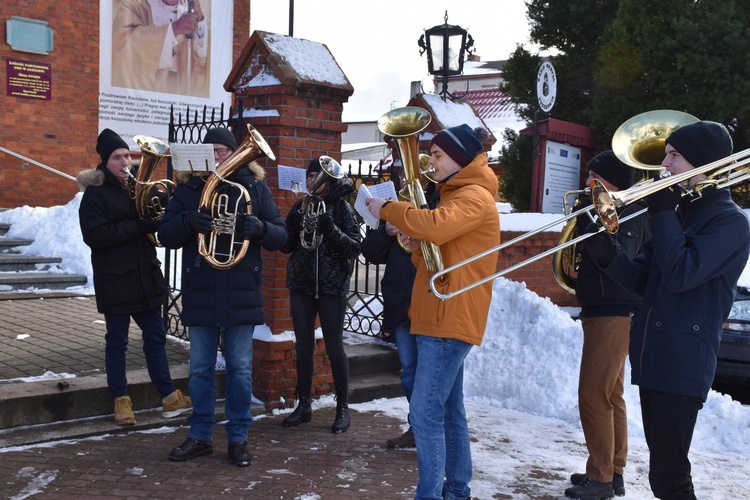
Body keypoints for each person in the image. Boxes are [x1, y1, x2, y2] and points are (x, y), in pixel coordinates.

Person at [584, 120, 750, 500]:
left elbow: (679, 274)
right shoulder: (681, 213)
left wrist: (662, 213)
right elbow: (644, 280)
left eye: (674, 156)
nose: (665, 165)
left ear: (703, 163)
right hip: (655, 356)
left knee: (670, 478)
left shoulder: (729, 222)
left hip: (684, 360)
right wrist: (606, 253)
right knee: (663, 477)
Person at [366, 124, 500, 500]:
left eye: (438, 155)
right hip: (439, 315)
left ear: (458, 157)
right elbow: (440, 255)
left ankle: (432, 495)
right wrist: (413, 243)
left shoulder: (473, 195)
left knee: (424, 414)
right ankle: (456, 491)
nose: (431, 161)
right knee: (449, 413)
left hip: (448, 319)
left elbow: (438, 227)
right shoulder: (457, 194)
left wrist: (390, 208)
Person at [158, 126, 287, 467]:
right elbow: (165, 234)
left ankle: (238, 438)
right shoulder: (189, 188)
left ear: (234, 152)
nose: (218, 156)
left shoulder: (255, 189)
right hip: (202, 289)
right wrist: (188, 221)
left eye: (223, 150)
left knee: (241, 370)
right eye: (212, 151)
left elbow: (281, 236)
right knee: (199, 369)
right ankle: (200, 435)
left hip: (241, 291)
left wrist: (260, 229)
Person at [77, 128, 193, 426]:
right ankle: (121, 402)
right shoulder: (94, 195)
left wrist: (162, 212)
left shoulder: (138, 186)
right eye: (117, 157)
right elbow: (96, 236)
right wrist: (140, 224)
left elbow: (151, 222)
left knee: (155, 339)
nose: (125, 161)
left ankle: (169, 397)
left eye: (127, 155)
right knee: (117, 342)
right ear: (104, 162)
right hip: (115, 280)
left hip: (145, 277)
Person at [564, 151, 650, 500]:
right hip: (606, 311)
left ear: (610, 181)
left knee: (593, 396)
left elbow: (620, 262)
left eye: (593, 176)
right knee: (611, 395)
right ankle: (611, 471)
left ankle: (601, 478)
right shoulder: (612, 210)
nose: (587, 183)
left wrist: (594, 233)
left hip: (612, 312)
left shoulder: (628, 213)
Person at [280, 158, 361, 434]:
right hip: (302, 284)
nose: (312, 181)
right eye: (310, 176)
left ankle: (343, 408)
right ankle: (303, 405)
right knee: (303, 346)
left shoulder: (343, 208)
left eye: (317, 176)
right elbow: (287, 246)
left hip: (331, 287)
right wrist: (290, 225)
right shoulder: (302, 205)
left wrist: (330, 228)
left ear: (329, 180)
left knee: (334, 346)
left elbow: (353, 248)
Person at [360, 171, 439, 449]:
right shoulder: (393, 206)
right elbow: (369, 253)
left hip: (430, 299)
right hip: (400, 302)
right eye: (404, 178)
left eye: (412, 177)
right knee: (409, 371)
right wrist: (386, 230)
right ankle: (417, 428)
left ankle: (431, 430)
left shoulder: (439, 202)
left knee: (430, 374)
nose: (407, 182)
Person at [112, 0, 209, 98]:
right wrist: (174, 29)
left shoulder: (188, 11)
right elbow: (123, 49)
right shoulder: (133, 6)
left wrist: (199, 20)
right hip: (149, 102)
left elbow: (201, 71)